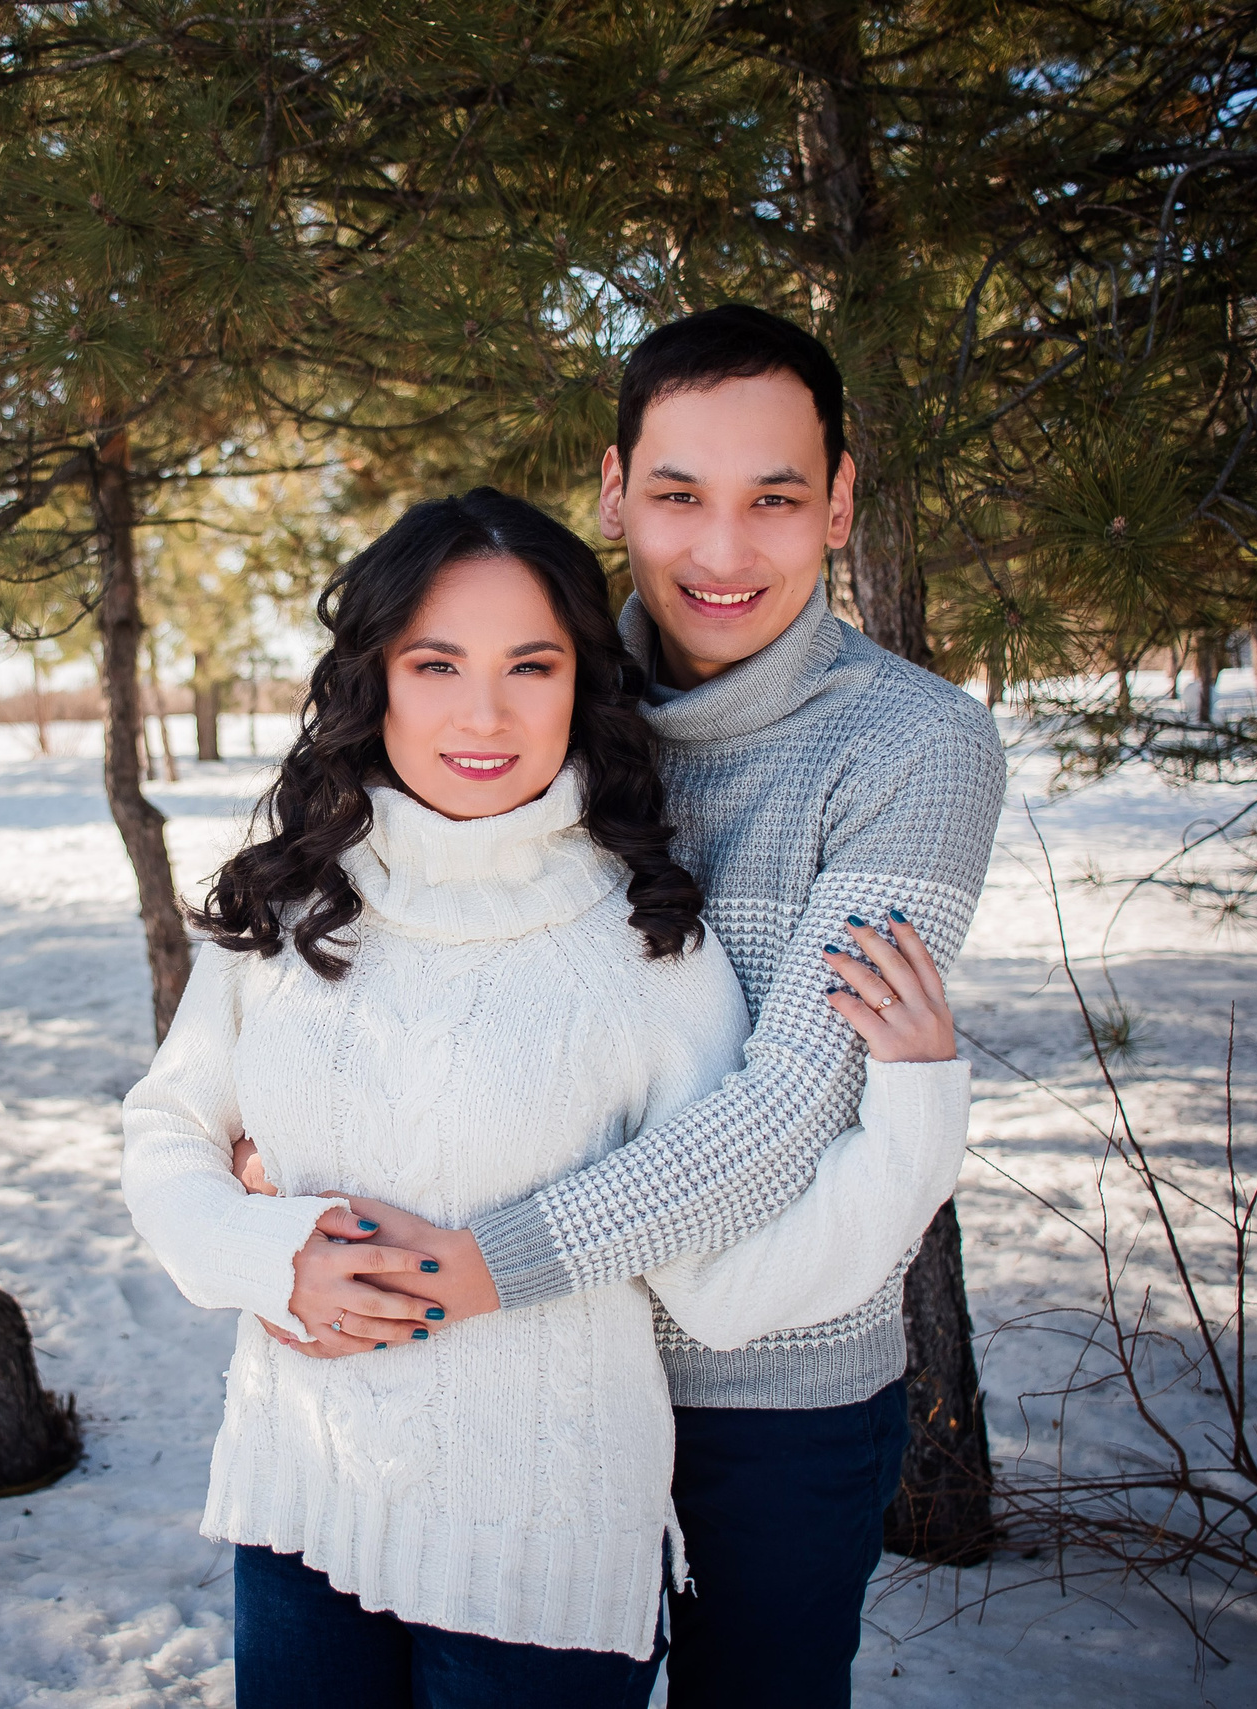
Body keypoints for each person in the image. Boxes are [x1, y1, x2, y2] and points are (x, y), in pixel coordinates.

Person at [120, 487, 973, 1709]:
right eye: (436, 663)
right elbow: (168, 1134)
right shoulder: (294, 903)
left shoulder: (648, 945)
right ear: (377, 681)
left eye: (532, 663)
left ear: (585, 680)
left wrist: (912, 1115)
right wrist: (266, 1254)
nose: (484, 712)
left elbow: (734, 1283)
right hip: (299, 1501)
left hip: (535, 1566)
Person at [295, 304, 1009, 1706]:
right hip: (519, 1379)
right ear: (614, 490)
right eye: (679, 496)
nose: (722, 551)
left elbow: (798, 1104)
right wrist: (279, 1173)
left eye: (776, 500)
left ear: (841, 504)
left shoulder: (914, 747)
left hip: (757, 1397)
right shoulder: (528, 690)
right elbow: (374, 964)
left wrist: (456, 1272)